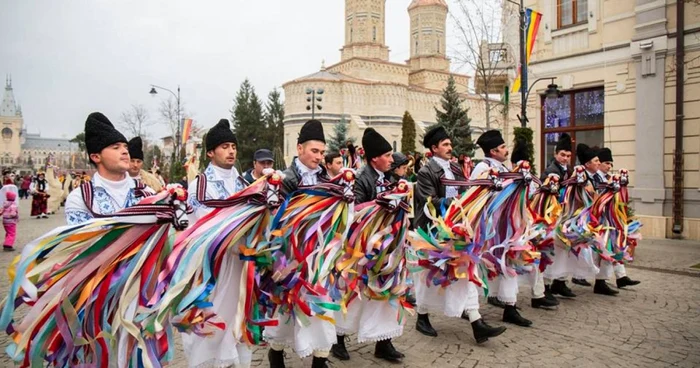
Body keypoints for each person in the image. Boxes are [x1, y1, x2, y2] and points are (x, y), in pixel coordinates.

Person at [413, 125, 506, 343]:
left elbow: (466, 189)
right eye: (445, 144)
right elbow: (428, 202)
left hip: (457, 229)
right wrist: (454, 203)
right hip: (433, 231)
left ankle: (476, 321)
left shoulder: (455, 169)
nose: (449, 148)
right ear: (434, 148)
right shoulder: (426, 172)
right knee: (428, 276)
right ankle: (422, 316)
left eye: (449, 144)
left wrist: (480, 192)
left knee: (465, 271)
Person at [265, 119, 334, 368]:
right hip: (289, 253)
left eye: (322, 152)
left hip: (319, 253)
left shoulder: (328, 177)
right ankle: (276, 349)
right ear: (299, 149)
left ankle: (320, 357)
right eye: (314, 151)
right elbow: (275, 220)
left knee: (320, 302)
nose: (319, 157)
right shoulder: (284, 179)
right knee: (286, 304)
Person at [332, 128, 404, 363]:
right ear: (375, 158)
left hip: (385, 248)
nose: (392, 160)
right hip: (361, 249)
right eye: (388, 155)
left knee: (382, 294)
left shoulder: (389, 178)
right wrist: (381, 204)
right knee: (354, 295)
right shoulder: (361, 179)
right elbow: (355, 213)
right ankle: (338, 339)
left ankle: (383, 342)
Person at [182, 119, 249, 368]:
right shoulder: (198, 186)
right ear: (210, 152)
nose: (231, 150)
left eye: (233, 145)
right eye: (224, 146)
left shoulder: (245, 184)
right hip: (212, 267)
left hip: (241, 265)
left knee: (237, 322)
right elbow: (198, 227)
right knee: (211, 322)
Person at [471, 130, 538, 327]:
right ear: (492, 151)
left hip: (507, 225)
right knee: (479, 264)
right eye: (502, 147)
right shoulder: (482, 168)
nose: (506, 150)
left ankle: (510, 306)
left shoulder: (504, 166)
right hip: (487, 226)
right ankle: (471, 310)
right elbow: (475, 194)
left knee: (508, 261)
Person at [64, 112, 154, 225]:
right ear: (96, 157)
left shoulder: (147, 194)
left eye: (125, 147)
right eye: (116, 147)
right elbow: (83, 241)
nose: (125, 151)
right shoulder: (81, 199)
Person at [595, 147, 641, 289]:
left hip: (613, 218)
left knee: (616, 246)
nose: (609, 166)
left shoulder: (610, 178)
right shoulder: (596, 178)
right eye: (606, 163)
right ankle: (600, 281)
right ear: (599, 163)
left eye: (611, 164)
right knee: (606, 248)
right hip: (600, 218)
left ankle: (621, 277)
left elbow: (620, 199)